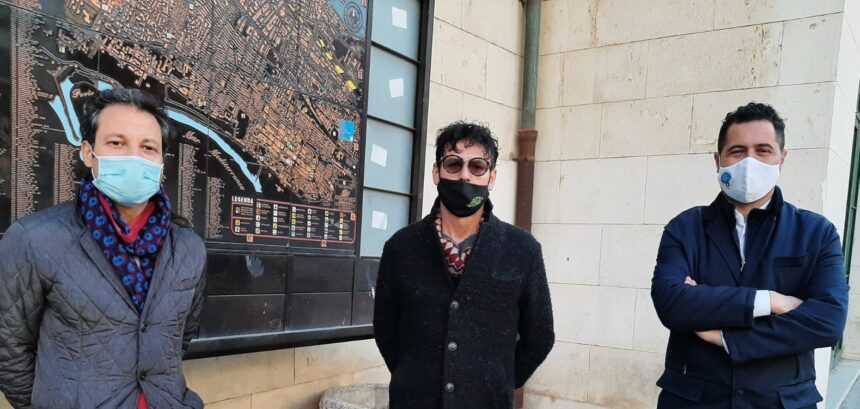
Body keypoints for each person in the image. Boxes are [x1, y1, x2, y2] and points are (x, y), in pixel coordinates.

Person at [0, 88, 207, 409]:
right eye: (116, 143)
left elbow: (180, 337)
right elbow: (9, 347)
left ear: (161, 162)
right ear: (88, 152)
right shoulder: (34, 239)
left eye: (148, 147)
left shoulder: (188, 248)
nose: (134, 157)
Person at [651, 102, 849, 409]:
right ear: (718, 160)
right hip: (694, 400)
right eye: (737, 151)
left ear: (782, 158)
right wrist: (770, 301)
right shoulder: (685, 228)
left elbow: (827, 322)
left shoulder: (816, 233)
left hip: (781, 402)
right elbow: (671, 303)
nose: (749, 162)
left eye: (763, 150)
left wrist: (725, 337)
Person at [373, 121, 555, 408]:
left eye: (477, 166)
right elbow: (385, 328)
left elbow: (540, 336)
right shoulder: (400, 247)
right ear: (437, 172)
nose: (465, 175)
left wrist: (500, 379)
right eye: (453, 164)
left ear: (492, 177)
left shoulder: (523, 250)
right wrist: (412, 376)